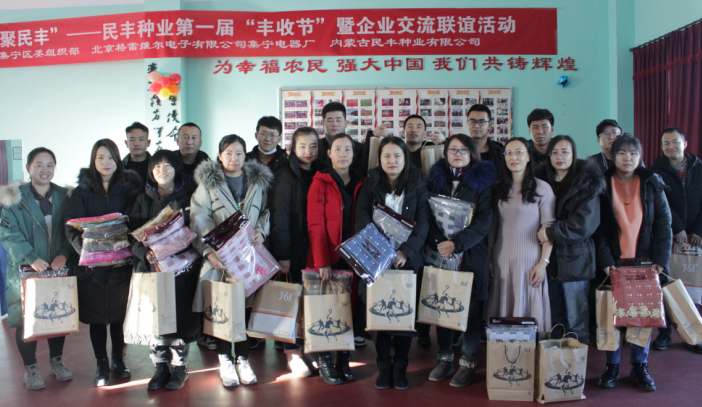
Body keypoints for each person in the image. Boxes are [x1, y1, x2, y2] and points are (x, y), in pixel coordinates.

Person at [190, 134, 274, 388]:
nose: (234, 158)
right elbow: (198, 218)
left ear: (245, 156)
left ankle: (243, 360)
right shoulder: (208, 184)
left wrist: (262, 232)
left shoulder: (257, 182)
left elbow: (265, 212)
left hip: (249, 258)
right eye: (228, 153)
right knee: (223, 309)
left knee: (246, 308)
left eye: (239, 153)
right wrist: (210, 252)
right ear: (219, 156)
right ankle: (225, 360)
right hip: (221, 259)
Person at [594, 135, 672, 391]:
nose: (628, 158)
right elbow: (597, 228)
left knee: (642, 317)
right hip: (613, 264)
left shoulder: (651, 182)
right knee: (612, 317)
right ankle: (612, 366)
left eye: (633, 153)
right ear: (612, 156)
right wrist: (606, 260)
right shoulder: (601, 184)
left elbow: (664, 224)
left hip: (645, 263)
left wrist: (660, 260)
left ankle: (640, 366)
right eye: (622, 153)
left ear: (640, 156)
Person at [64, 139, 142, 387]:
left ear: (118, 160)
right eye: (100, 157)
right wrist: (87, 253)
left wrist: (126, 246)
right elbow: (71, 227)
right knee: (97, 318)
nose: (106, 162)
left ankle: (118, 359)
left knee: (119, 316)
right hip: (92, 268)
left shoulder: (129, 190)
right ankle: (101, 363)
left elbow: (136, 222)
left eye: (111, 157)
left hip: (121, 265)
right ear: (93, 160)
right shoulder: (81, 192)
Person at [355, 137, 431, 390]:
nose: (392, 161)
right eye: (386, 156)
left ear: (405, 158)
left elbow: (423, 223)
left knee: (403, 314)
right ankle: (384, 365)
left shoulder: (418, 185)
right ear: (379, 159)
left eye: (397, 155)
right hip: (376, 259)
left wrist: (406, 252)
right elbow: (362, 219)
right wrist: (380, 251)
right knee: (379, 314)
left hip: (407, 261)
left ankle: (400, 365)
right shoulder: (370, 184)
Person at [425, 135, 496, 387]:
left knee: (471, 311)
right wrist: (440, 243)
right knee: (443, 306)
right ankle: (444, 358)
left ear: (472, 154)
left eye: (463, 150)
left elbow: (484, 222)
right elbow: (427, 217)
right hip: (441, 254)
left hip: (471, 255)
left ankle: (468, 362)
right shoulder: (436, 181)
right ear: (445, 153)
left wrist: (457, 244)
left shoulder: (483, 183)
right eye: (453, 149)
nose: (458, 154)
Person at [0, 148, 74, 390]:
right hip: (25, 269)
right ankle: (30, 368)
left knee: (58, 315)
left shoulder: (66, 196)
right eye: (39, 165)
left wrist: (64, 253)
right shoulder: (14, 198)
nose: (45, 170)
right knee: (26, 319)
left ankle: (57, 362)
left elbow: (72, 229)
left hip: (56, 268)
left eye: (50, 165)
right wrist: (31, 258)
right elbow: (8, 233)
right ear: (28, 168)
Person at [128, 150, 201, 391]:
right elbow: (130, 234)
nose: (162, 170)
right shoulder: (142, 198)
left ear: (176, 169)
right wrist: (144, 253)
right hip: (151, 268)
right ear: (151, 170)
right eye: (157, 166)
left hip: (180, 269)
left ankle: (179, 368)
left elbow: (197, 229)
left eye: (168, 165)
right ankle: (160, 367)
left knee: (179, 317)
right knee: (155, 318)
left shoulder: (189, 197)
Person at [307, 133, 364, 385]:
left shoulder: (361, 182)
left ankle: (343, 357)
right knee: (325, 308)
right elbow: (315, 223)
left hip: (353, 257)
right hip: (328, 257)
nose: (343, 154)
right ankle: (325, 360)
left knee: (347, 309)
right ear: (328, 153)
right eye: (337, 149)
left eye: (347, 149)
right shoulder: (320, 181)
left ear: (353, 154)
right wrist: (322, 261)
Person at [535, 136, 604, 343]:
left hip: (576, 260)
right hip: (547, 259)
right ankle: (556, 360)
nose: (560, 157)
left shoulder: (586, 184)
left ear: (574, 154)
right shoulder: (540, 183)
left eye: (565, 152)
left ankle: (577, 359)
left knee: (576, 320)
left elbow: (583, 225)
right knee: (555, 318)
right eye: (555, 152)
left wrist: (551, 232)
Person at [270, 127, 325, 377]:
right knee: (289, 300)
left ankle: (307, 348)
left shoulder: (322, 171)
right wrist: (283, 253)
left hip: (313, 248)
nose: (308, 151)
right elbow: (279, 217)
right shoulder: (285, 174)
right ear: (292, 148)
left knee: (308, 301)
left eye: (313, 146)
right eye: (302, 146)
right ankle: (291, 353)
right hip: (291, 249)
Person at [488, 137, 555, 334]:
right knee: (503, 313)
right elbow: (493, 226)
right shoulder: (498, 188)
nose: (513, 157)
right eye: (509, 153)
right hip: (502, 258)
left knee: (528, 311)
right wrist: (490, 257)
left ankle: (528, 350)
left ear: (528, 157)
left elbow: (549, 227)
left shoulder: (542, 188)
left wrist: (543, 263)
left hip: (530, 260)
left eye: (519, 152)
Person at [650, 127, 702, 354]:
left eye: (675, 142)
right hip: (668, 235)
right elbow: (661, 202)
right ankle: (665, 334)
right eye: (666, 143)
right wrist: (678, 227)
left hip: (696, 238)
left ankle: (694, 334)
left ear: (685, 144)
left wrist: (698, 230)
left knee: (693, 287)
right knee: (666, 286)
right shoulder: (655, 170)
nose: (671, 146)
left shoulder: (699, 167)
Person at [122, 122, 152, 186]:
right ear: (126, 143)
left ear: (148, 142)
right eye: (132, 140)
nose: (136, 143)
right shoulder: (119, 167)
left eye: (141, 139)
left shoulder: (156, 166)